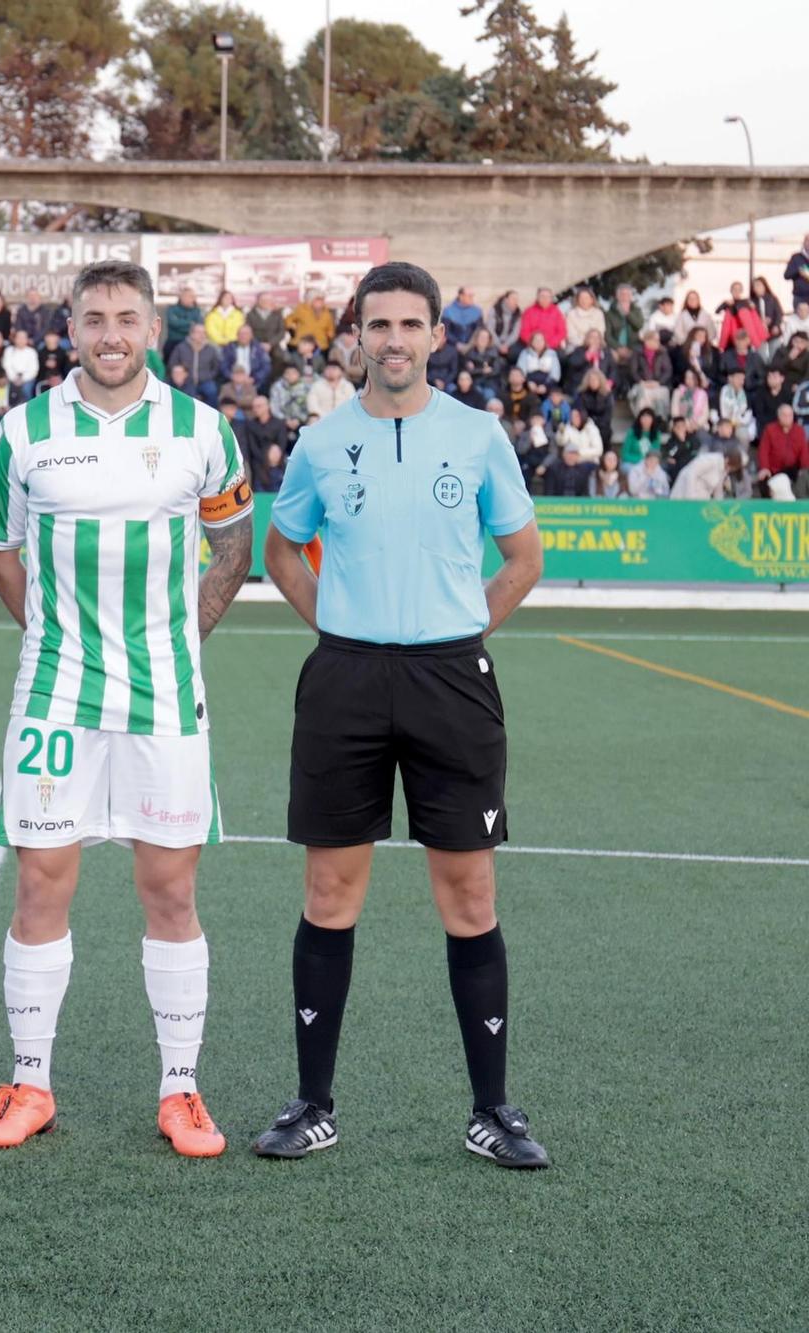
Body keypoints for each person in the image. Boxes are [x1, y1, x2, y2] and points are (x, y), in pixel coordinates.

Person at [256, 262, 550, 1168]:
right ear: (357, 335)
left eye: (409, 325)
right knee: (330, 894)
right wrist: (343, 629)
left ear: (434, 335)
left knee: (469, 896)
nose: (392, 340)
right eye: (377, 324)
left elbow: (523, 557)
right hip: (345, 681)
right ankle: (313, 1104)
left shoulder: (477, 434)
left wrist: (459, 633)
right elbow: (281, 549)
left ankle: (492, 1109)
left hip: (451, 681)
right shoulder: (319, 439)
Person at [0, 261, 253, 1156]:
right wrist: (51, 635)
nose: (110, 334)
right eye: (94, 318)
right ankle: (31, 1081)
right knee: (41, 881)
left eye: (126, 318)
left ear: (153, 327)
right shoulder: (22, 432)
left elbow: (231, 543)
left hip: (165, 697)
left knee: (169, 888)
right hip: (56, 695)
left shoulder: (202, 431)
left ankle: (181, 1091)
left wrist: (182, 635)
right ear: (72, 326)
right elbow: (0, 549)